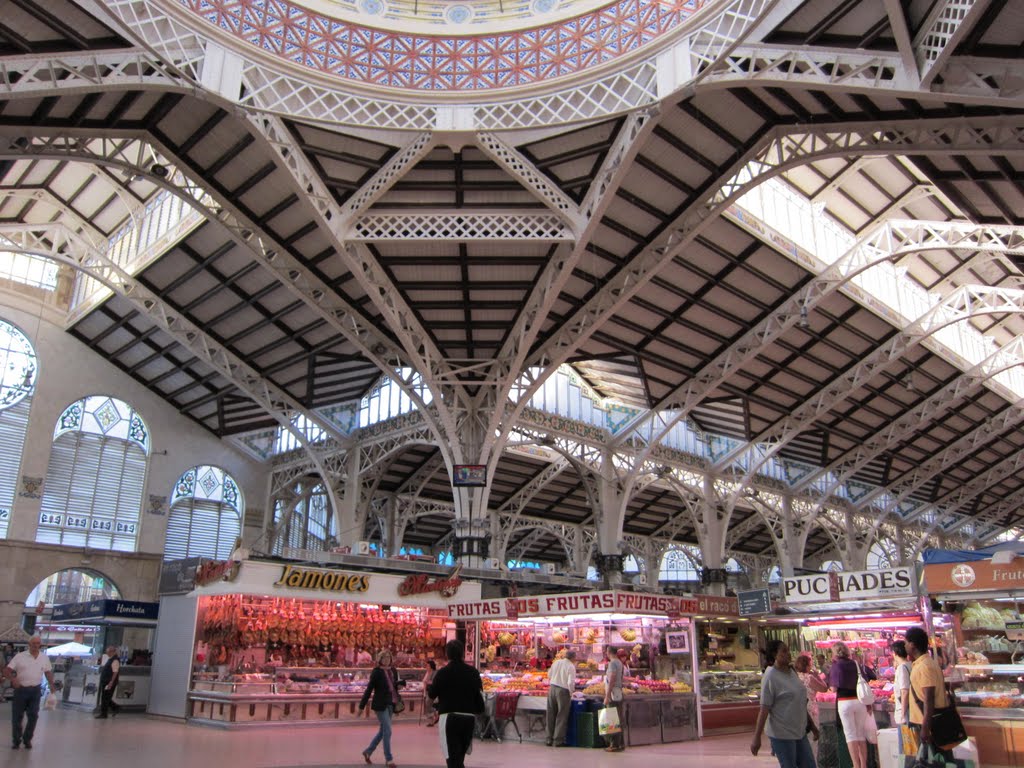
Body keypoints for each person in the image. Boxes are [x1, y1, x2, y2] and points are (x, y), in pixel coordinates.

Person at [751, 640, 818, 768]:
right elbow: (764, 708)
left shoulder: (792, 672)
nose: (788, 654)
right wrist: (757, 737)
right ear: (774, 654)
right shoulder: (770, 676)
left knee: (809, 765)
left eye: (788, 651)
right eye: (784, 651)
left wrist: (812, 726)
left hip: (799, 731)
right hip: (781, 733)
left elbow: (799, 703)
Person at [427, 639, 484, 768]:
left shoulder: (442, 673)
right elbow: (478, 695)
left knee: (452, 759)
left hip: (449, 718)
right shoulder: (473, 672)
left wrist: (429, 712)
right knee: (459, 757)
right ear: (463, 653)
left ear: (447, 654)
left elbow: (431, 696)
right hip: (468, 718)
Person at [905, 625, 955, 761]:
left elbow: (929, 698)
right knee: (935, 760)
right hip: (928, 721)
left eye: (906, 642)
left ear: (912, 644)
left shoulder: (925, 666)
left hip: (930, 722)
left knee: (934, 761)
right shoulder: (924, 663)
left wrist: (926, 727)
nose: (905, 646)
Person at [3, 636, 56, 750]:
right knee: (17, 716)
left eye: (38, 643)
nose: (36, 645)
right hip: (21, 690)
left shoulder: (44, 658)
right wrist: (13, 679)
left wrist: (51, 684)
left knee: (33, 716)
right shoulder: (20, 656)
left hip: (35, 691)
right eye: (34, 643)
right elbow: (7, 670)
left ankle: (27, 739)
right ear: (29, 644)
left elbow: (48, 672)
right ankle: (16, 740)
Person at [358, 650, 405, 768]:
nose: (386, 660)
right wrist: (361, 706)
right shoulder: (377, 672)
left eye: (388, 658)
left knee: (382, 731)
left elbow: (393, 687)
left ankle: (368, 752)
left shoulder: (393, 670)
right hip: (380, 705)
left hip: (391, 703)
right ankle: (389, 759)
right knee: (388, 730)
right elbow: (369, 690)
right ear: (379, 659)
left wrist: (399, 685)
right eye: (384, 658)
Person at [828, 641, 871, 768]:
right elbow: (865, 681)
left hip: (844, 702)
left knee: (850, 735)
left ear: (835, 653)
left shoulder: (836, 666)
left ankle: (856, 765)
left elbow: (834, 689)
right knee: (860, 735)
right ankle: (864, 765)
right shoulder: (855, 664)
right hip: (859, 701)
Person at [545, 649, 577, 747]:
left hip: (552, 689)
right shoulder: (571, 666)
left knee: (550, 714)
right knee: (561, 715)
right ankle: (558, 740)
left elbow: (549, 675)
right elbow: (570, 682)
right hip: (563, 691)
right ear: (573, 658)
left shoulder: (557, 662)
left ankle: (548, 739)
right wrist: (572, 692)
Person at [795, 654, 828, 730]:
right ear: (806, 666)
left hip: (799, 707)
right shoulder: (809, 678)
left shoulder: (796, 677)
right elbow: (824, 688)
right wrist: (817, 676)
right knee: (814, 731)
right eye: (810, 665)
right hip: (810, 707)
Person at [603, 645, 625, 753]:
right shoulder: (619, 662)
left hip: (612, 694)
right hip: (618, 693)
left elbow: (612, 678)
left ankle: (614, 744)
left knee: (612, 719)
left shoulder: (612, 663)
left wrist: (607, 696)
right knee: (618, 718)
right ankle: (620, 743)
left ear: (608, 652)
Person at [95, 644, 121, 719]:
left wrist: (111, 682)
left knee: (105, 698)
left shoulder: (115, 660)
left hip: (109, 682)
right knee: (106, 697)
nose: (107, 653)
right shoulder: (111, 659)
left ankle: (104, 713)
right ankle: (115, 707)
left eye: (108, 652)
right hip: (106, 681)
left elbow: (115, 672)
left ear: (112, 652)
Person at [891, 641, 911, 726]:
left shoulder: (902, 668)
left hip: (906, 712)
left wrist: (902, 715)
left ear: (894, 653)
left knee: (906, 738)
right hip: (912, 709)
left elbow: (904, 691)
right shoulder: (910, 664)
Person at [423, 659, 439, 727]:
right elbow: (424, 681)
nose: (426, 667)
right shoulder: (427, 672)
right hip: (427, 691)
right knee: (427, 706)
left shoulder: (435, 672)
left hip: (432, 692)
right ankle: (434, 717)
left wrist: (428, 682)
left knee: (428, 705)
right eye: (426, 666)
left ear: (431, 666)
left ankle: (434, 716)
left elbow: (435, 682)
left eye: (428, 666)